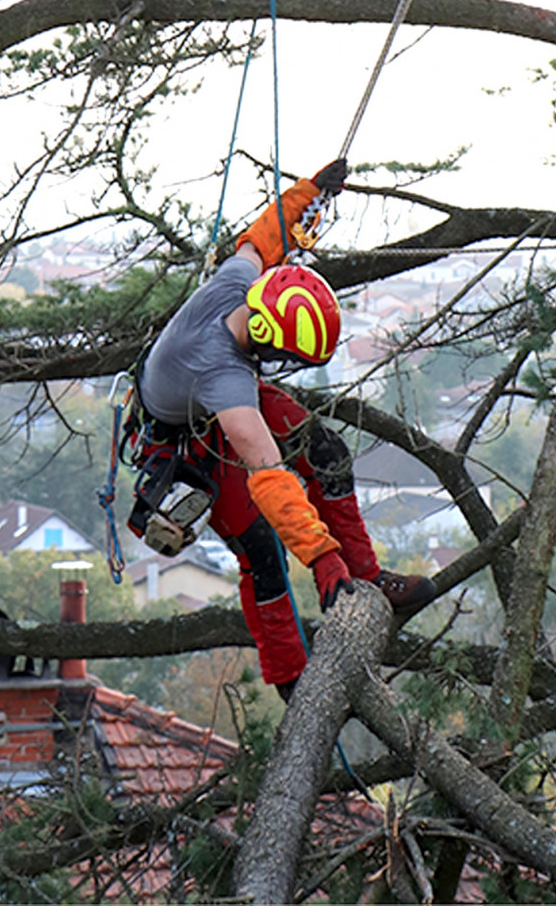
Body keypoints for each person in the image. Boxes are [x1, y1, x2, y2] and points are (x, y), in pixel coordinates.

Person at [129, 160, 435, 698]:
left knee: (326, 452)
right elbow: (270, 477)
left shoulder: (239, 284)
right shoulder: (223, 374)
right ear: (266, 339)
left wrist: (311, 193)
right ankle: (291, 676)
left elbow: (264, 237)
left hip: (208, 404)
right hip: (189, 440)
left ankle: (366, 575)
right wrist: (321, 558)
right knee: (260, 550)